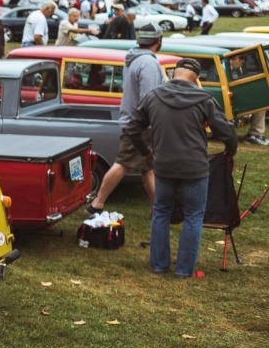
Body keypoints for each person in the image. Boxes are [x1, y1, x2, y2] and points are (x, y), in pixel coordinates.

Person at [126, 58, 238, 277]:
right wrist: (230, 151)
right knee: (194, 216)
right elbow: (227, 132)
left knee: (161, 213)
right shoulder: (204, 98)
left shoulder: (153, 96)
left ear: (173, 73)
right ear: (196, 78)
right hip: (195, 168)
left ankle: (159, 266)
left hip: (164, 166)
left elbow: (132, 127)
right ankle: (185, 270)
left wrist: (146, 152)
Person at [87, 26, 165, 214]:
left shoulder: (133, 59)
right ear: (159, 40)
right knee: (123, 163)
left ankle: (158, 209)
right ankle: (97, 203)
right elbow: (148, 98)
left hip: (133, 120)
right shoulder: (149, 63)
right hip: (140, 125)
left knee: (148, 167)